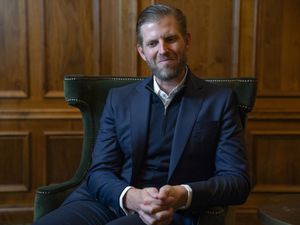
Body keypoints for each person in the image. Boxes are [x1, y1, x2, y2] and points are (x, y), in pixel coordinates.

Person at [33, 3, 250, 225]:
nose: (163, 50)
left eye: (171, 39)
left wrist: (182, 194)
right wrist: (131, 197)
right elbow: (99, 171)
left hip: (171, 211)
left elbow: (237, 181)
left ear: (187, 41)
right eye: (153, 43)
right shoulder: (118, 99)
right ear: (142, 52)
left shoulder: (219, 101)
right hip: (107, 202)